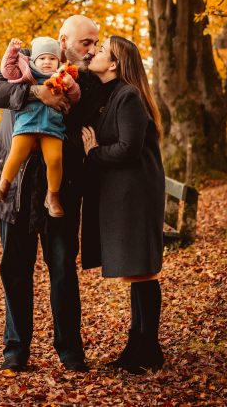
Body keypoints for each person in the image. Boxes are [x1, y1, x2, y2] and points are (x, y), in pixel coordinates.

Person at [0, 15, 102, 373]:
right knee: (15, 269)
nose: (92, 50)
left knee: (62, 268)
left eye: (96, 43)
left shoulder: (86, 80)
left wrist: (66, 95)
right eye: (86, 43)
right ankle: (15, 350)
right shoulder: (25, 63)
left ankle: (70, 350)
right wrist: (36, 91)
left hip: (60, 192)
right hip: (15, 190)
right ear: (63, 40)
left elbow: (88, 116)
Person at [81, 35, 165, 374]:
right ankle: (137, 344)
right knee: (137, 272)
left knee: (143, 272)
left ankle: (150, 347)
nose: (94, 52)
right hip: (124, 194)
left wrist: (94, 152)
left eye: (101, 51)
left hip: (136, 195)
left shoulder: (128, 95)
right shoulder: (113, 94)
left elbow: (129, 148)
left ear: (115, 64)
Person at [0, 36, 80, 218]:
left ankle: (52, 197)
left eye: (52, 59)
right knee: (16, 154)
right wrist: (12, 51)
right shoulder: (25, 74)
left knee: (54, 159)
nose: (47, 62)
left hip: (52, 128)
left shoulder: (62, 77)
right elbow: (6, 71)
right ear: (34, 60)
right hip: (26, 126)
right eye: (42, 58)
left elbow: (76, 97)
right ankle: (3, 185)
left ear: (58, 61)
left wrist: (71, 85)